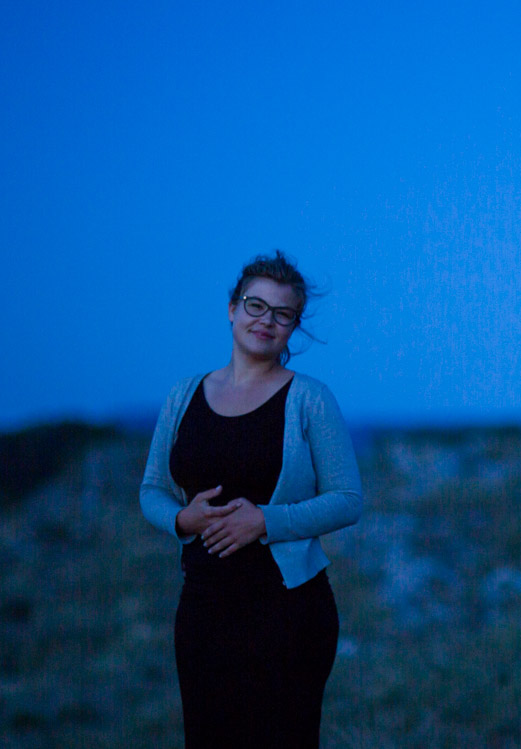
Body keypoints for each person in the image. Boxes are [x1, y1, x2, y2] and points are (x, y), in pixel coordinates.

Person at [139, 251, 362, 748]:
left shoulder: (310, 398)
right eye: (256, 305)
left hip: (288, 613)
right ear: (232, 308)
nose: (266, 321)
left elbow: (348, 499)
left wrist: (265, 521)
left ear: (294, 326)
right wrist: (182, 519)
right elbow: (151, 490)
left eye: (283, 313)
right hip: (203, 607)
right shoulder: (183, 395)